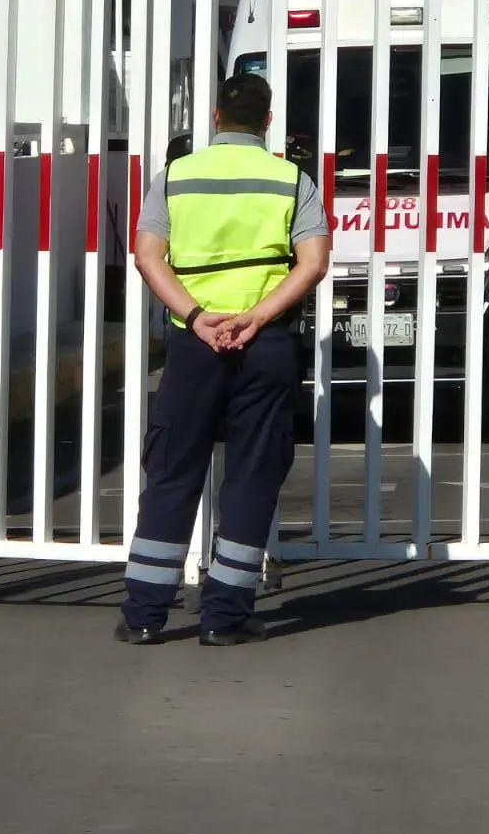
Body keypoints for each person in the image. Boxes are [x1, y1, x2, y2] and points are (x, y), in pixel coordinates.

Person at [116, 74, 331, 647]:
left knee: (172, 471)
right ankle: (224, 617)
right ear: (268, 121)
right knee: (252, 474)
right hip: (265, 343)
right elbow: (312, 263)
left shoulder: (176, 176)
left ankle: (144, 616)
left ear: (216, 117)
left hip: (196, 344)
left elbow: (147, 256)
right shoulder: (292, 180)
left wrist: (195, 316)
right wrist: (256, 317)